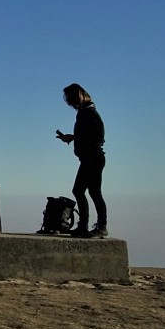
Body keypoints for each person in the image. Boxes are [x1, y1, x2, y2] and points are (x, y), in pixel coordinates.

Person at [55, 83, 106, 238]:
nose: (70, 103)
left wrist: (73, 137)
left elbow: (97, 137)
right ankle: (84, 226)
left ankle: (101, 227)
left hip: (93, 158)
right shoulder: (86, 112)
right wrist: (72, 138)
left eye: (70, 99)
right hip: (89, 159)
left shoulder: (89, 113)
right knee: (82, 191)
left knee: (93, 192)